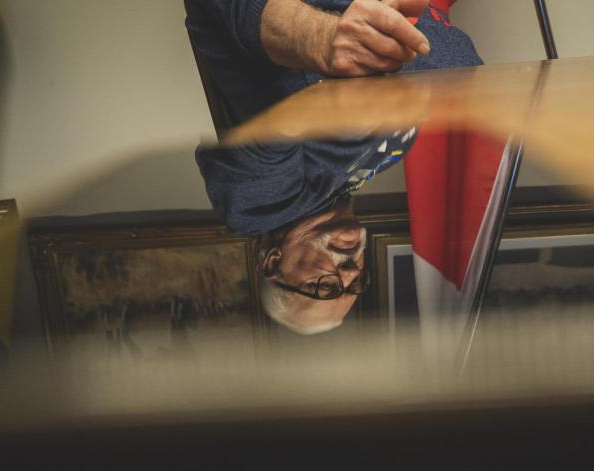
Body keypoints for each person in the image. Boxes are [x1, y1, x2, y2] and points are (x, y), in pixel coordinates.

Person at [188, 0, 482, 333]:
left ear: (274, 262)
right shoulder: (348, 180)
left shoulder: (261, 207)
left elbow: (276, 125)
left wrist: (323, 39)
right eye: (354, 286)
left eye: (323, 287)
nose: (349, 274)